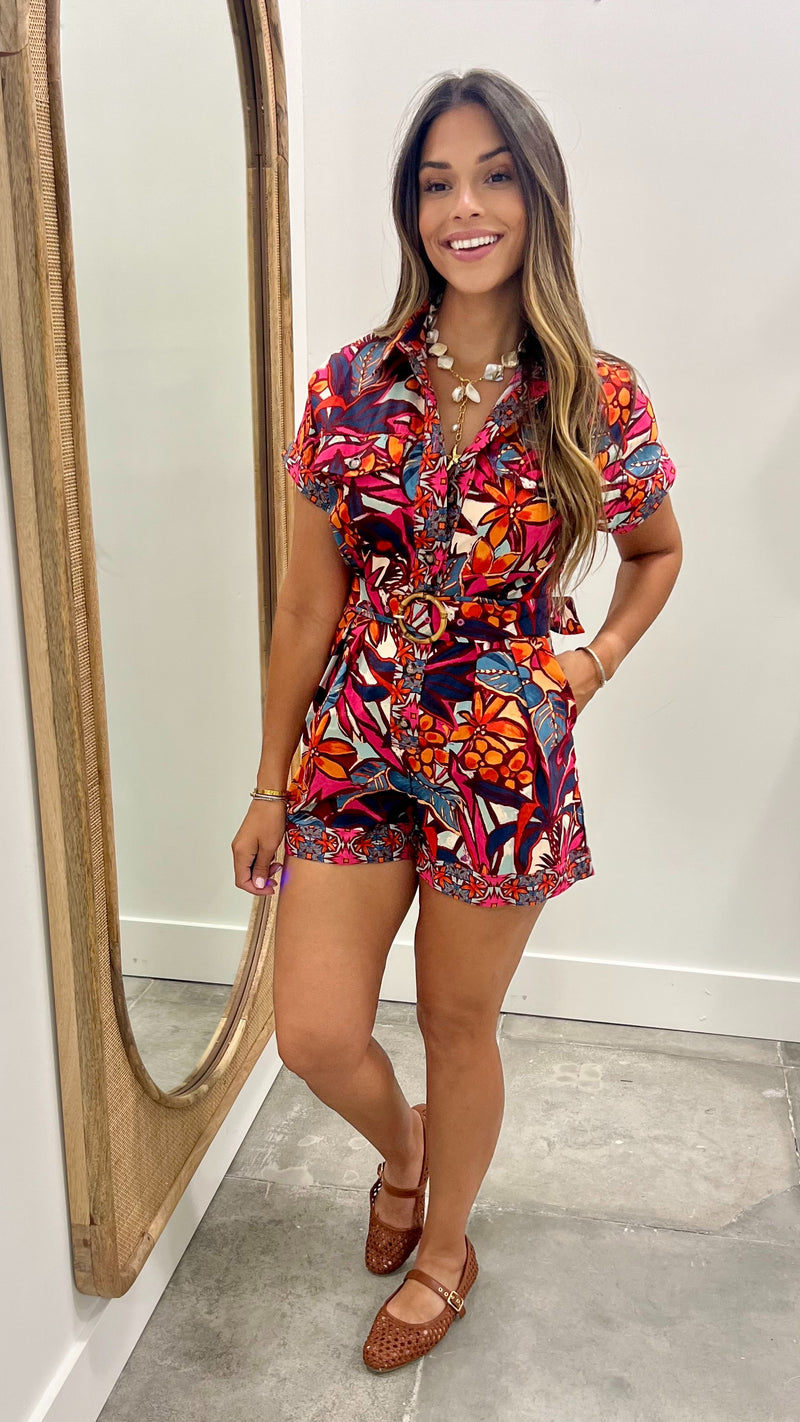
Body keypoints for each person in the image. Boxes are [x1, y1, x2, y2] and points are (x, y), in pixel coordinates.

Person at [231, 68, 682, 1371]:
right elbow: (304, 604)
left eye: (492, 177)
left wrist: (592, 663)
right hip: (360, 731)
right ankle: (405, 1150)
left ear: (537, 200)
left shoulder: (595, 394)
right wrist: (268, 780)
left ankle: (444, 1248)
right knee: (316, 1031)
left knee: (454, 1024)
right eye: (437, 183)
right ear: (410, 209)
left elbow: (657, 550)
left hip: (500, 750)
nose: (463, 207)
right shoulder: (350, 385)